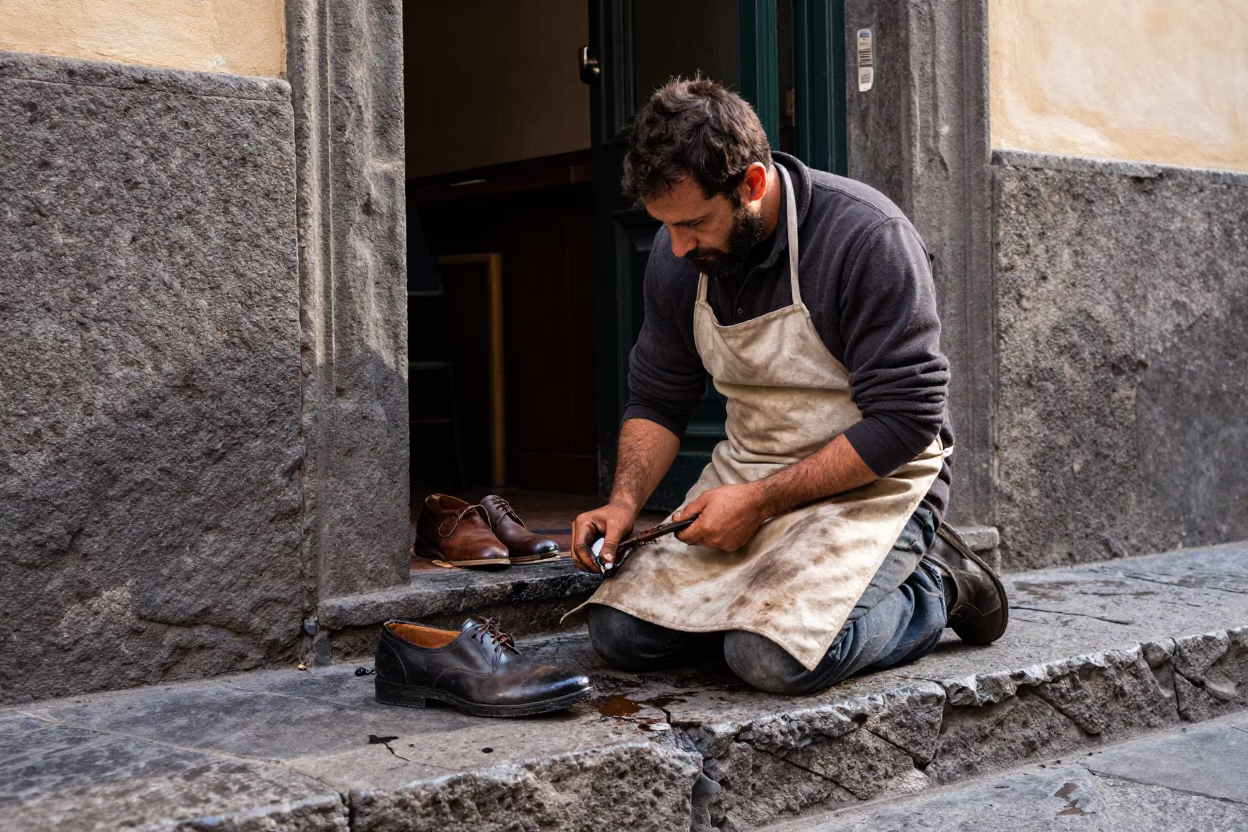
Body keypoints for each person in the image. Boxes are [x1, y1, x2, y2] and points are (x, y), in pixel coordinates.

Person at [567, 77, 1008, 695]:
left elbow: (907, 420)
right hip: (747, 477)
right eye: (664, 226)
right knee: (622, 636)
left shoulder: (867, 236)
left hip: (875, 484)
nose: (676, 246)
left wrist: (760, 503)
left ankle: (938, 585)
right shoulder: (677, 259)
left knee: (770, 660)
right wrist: (622, 504)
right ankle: (780, 601)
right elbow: (658, 399)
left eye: (693, 223)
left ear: (751, 183)